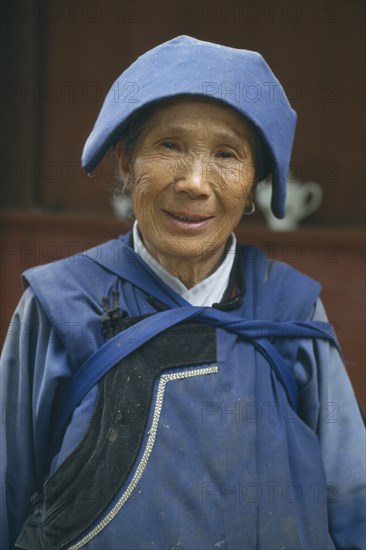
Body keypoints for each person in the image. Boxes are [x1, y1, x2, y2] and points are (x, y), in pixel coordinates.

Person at [1, 35, 365, 550]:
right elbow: (8, 482)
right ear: (126, 163)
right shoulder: (61, 304)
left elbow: (351, 498)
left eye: (226, 154)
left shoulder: (289, 308)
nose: (195, 182)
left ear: (255, 182)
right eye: (169, 145)